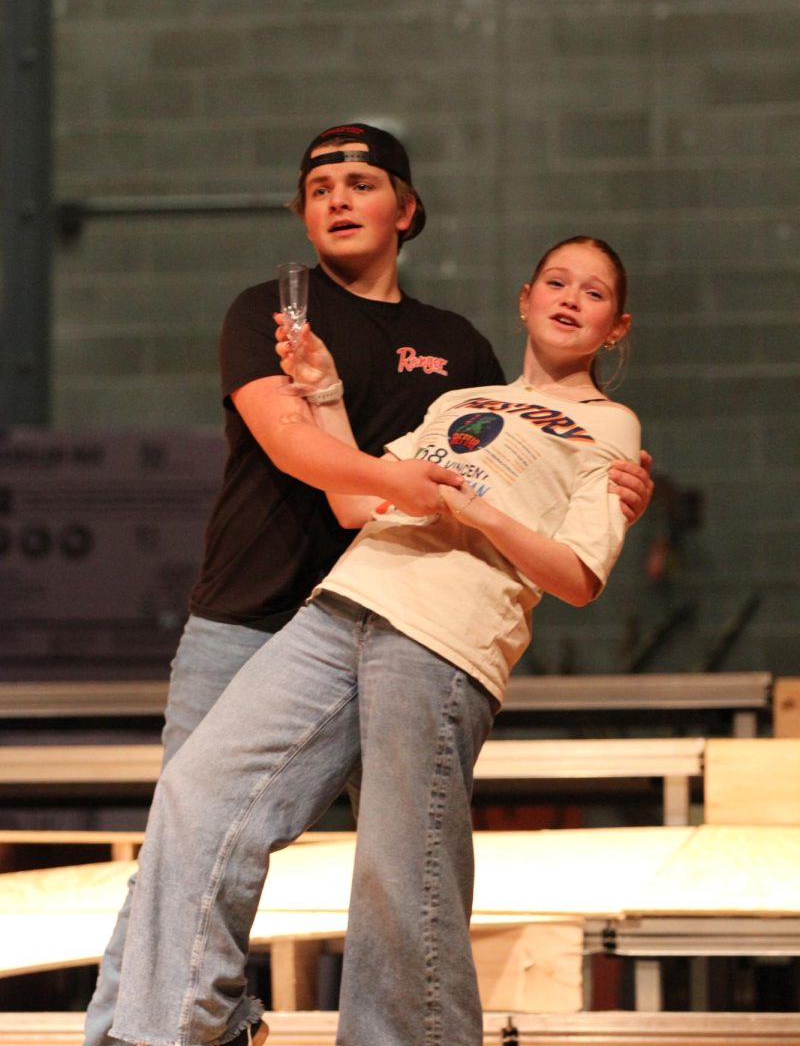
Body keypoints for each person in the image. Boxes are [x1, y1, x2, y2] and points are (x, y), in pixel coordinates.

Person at [110, 234, 642, 1046]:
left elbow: (577, 575)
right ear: (525, 301)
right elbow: (356, 507)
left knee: (400, 872)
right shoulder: (460, 401)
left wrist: (483, 515)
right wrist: (324, 393)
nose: (571, 298)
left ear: (615, 328)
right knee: (195, 795)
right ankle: (178, 1032)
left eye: (594, 293)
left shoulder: (611, 426)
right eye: (556, 283)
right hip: (342, 604)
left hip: (443, 638)